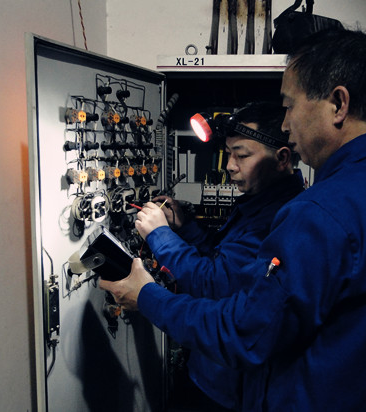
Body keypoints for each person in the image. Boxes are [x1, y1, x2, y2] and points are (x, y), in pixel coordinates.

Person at [100, 28, 366, 411]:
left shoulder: (322, 212)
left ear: (338, 104)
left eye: (289, 105)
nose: (285, 124)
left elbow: (245, 333)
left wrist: (147, 296)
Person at [136, 102, 304, 411]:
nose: (229, 166)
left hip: (226, 387)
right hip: (211, 372)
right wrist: (186, 228)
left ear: (281, 159)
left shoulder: (279, 218)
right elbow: (223, 260)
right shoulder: (257, 203)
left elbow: (215, 283)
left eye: (242, 155)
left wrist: (159, 235)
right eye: (228, 154)